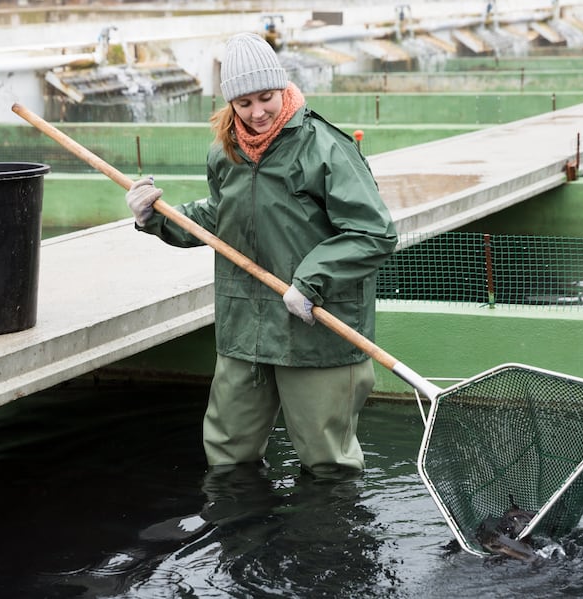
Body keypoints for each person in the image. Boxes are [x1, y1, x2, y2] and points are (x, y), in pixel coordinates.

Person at [126, 32, 397, 479]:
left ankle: (326, 546)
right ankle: (239, 541)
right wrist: (156, 217)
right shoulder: (224, 152)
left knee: (328, 464)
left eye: (266, 98)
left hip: (316, 331)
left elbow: (374, 233)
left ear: (283, 87)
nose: (257, 113)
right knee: (228, 454)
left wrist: (311, 282)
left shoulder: (327, 148)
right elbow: (220, 218)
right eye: (244, 103)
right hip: (245, 328)